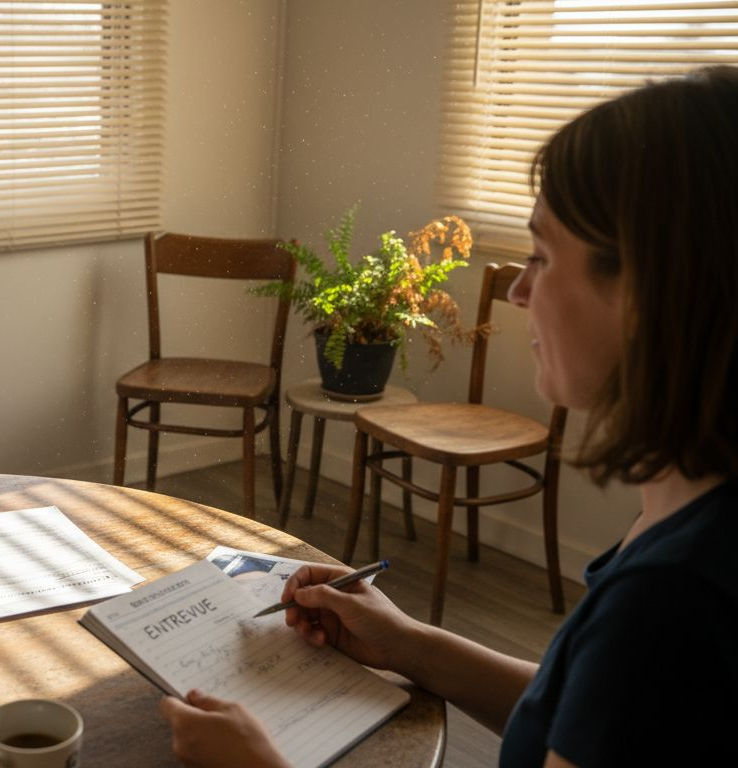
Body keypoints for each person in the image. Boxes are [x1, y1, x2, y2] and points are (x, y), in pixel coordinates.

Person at [158, 66, 738, 767]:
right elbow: (590, 714)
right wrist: (410, 644)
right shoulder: (689, 528)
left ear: (652, 290)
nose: (521, 290)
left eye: (542, 255)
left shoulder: (670, 603)